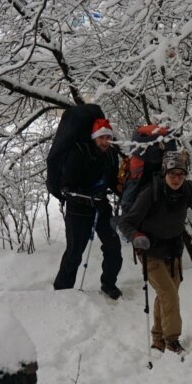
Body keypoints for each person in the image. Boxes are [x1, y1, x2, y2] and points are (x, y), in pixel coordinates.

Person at [118, 151, 192, 354]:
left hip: (174, 250)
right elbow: (126, 222)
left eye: (181, 174)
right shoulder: (151, 193)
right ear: (165, 173)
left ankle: (158, 339)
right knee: (169, 294)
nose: (176, 179)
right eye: (172, 174)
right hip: (150, 251)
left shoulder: (187, 190)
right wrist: (136, 236)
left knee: (167, 294)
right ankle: (172, 340)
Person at [53, 117, 124, 299]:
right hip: (78, 210)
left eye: (108, 137)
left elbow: (113, 181)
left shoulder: (110, 154)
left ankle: (108, 284)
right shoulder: (79, 153)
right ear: (94, 137)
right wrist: (87, 199)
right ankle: (62, 291)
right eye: (102, 138)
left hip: (101, 206)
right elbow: (67, 187)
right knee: (75, 252)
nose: (105, 142)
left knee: (113, 247)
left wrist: (126, 193)